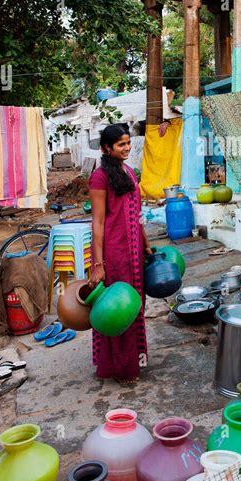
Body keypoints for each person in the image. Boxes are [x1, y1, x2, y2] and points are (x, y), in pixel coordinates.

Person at [89, 124, 151, 383]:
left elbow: (136, 214)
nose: (127, 148)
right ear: (106, 148)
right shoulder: (99, 177)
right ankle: (121, 369)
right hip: (114, 253)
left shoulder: (127, 171)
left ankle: (132, 360)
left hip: (134, 252)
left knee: (135, 305)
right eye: (121, 145)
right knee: (117, 309)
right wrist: (98, 263)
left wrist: (146, 243)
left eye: (128, 143)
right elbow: (98, 223)